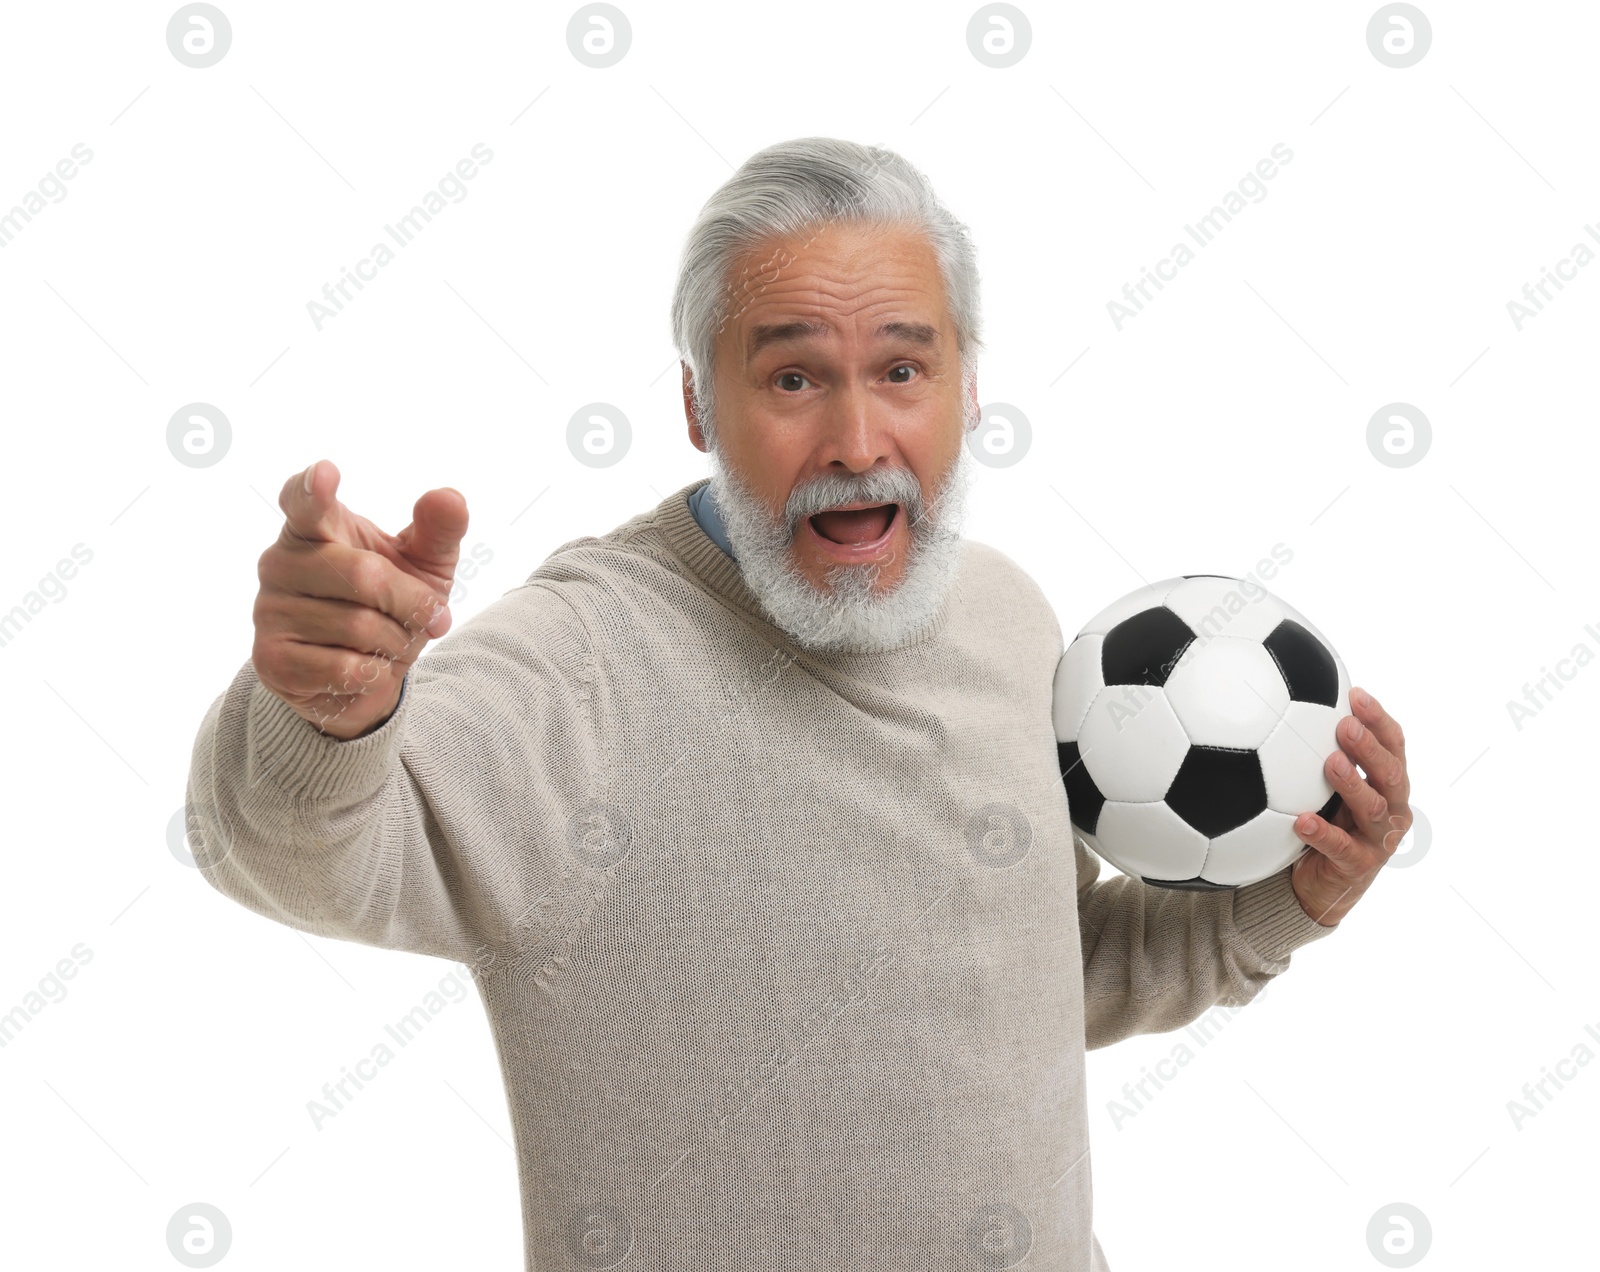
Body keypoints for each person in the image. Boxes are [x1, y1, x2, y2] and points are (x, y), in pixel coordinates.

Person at [186, 135, 1414, 1271]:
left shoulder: (1008, 616)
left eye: (901, 367)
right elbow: (293, 850)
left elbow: (1038, 970)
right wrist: (321, 711)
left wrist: (1284, 904)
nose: (856, 437)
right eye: (790, 377)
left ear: (967, 388)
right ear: (695, 406)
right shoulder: (582, 662)